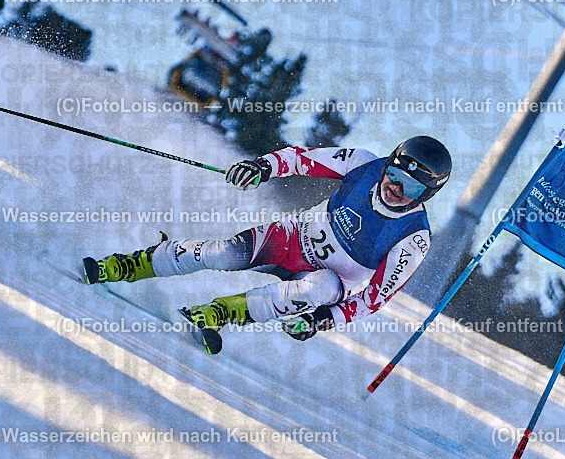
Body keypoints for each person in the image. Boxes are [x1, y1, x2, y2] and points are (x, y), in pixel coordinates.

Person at [83, 136, 451, 342]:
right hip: (292, 239)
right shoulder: (363, 163)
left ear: (427, 194)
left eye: (414, 187)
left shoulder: (413, 239)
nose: (398, 189)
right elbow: (302, 160)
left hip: (329, 281)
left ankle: (219, 313)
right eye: (396, 174)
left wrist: (323, 321)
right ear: (388, 164)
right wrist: (262, 166)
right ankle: (130, 264)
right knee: (222, 254)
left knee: (312, 290)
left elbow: (375, 298)